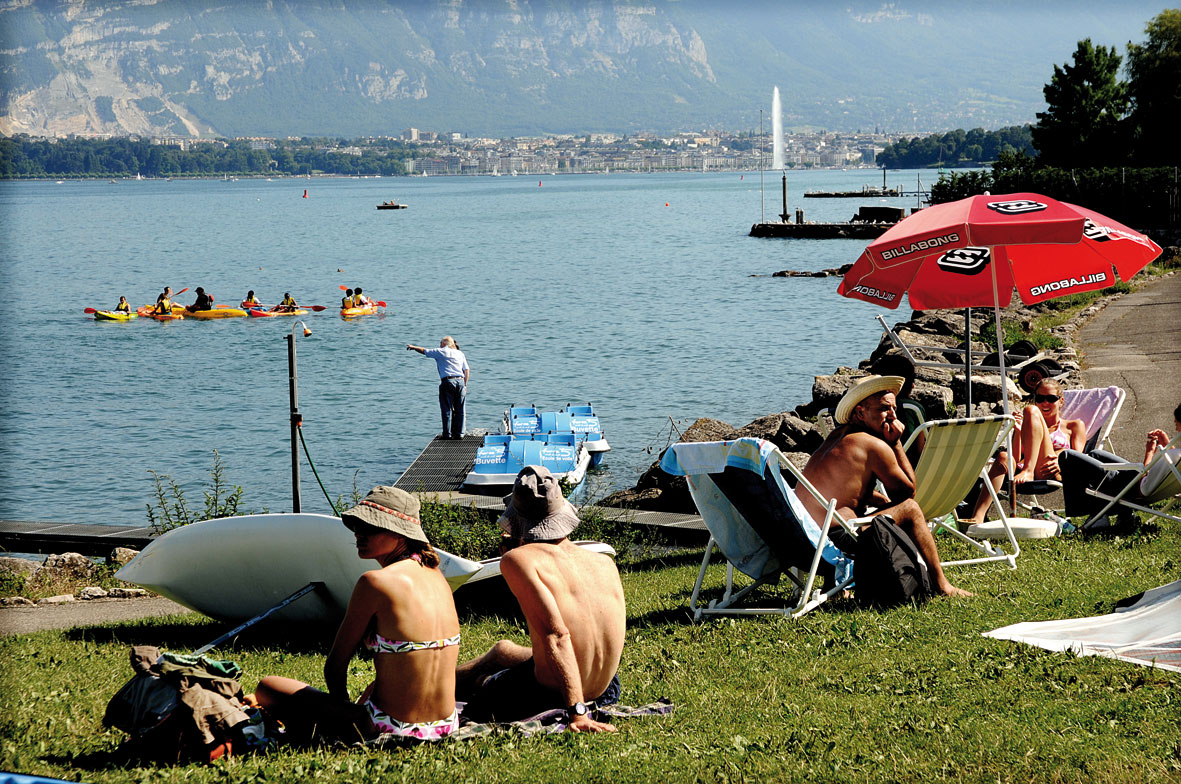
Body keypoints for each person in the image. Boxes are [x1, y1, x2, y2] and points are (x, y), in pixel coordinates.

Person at [253, 487, 461, 744]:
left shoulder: (375, 582)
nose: (359, 534)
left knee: (268, 686)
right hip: (445, 725)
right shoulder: (435, 575)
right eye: (357, 525)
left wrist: (342, 713)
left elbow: (335, 667)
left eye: (371, 527)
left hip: (388, 728)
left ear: (401, 534)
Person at [456, 466, 625, 732]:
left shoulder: (517, 560)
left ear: (517, 517)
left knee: (482, 687)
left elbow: (557, 635)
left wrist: (577, 713)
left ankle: (431, 682)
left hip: (553, 696)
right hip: (606, 689)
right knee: (503, 650)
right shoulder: (603, 561)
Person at [800, 375, 971, 598]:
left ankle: (832, 585)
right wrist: (896, 444)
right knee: (910, 509)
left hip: (803, 538)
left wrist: (881, 501)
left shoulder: (835, 437)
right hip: (835, 540)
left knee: (872, 507)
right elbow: (907, 492)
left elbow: (848, 491)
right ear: (861, 412)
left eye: (894, 409)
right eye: (884, 409)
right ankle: (942, 586)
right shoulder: (872, 444)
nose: (892, 416)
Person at [966, 378, 1086, 527]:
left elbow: (1078, 458)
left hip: (1048, 469)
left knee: (1030, 410)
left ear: (1061, 401)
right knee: (1004, 456)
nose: (1045, 403)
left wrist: (1061, 460)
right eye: (1040, 398)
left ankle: (1029, 470)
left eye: (1051, 398)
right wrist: (1018, 431)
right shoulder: (1029, 422)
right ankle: (977, 517)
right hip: (1022, 470)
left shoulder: (1074, 426)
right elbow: (1015, 458)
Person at [1059, 403, 1181, 529]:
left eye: (1176, 424)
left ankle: (1096, 514)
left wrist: (1149, 452)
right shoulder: (1177, 455)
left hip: (1132, 487)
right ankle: (1120, 514)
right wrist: (1167, 443)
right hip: (1139, 481)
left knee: (1067, 456)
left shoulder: (1174, 456)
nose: (1176, 429)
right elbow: (1173, 462)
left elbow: (1144, 478)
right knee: (1095, 454)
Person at [406, 336, 469, 439]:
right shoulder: (460, 353)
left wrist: (413, 347)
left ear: (444, 344)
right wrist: (465, 384)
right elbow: (466, 370)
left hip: (448, 382)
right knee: (460, 409)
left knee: (447, 409)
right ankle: (460, 434)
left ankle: (447, 434)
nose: (439, 345)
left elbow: (424, 351)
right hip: (461, 381)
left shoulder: (441, 351)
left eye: (440, 343)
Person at [871, 353, 927, 466]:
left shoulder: (873, 411)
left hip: (882, 472)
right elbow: (920, 452)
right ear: (910, 384)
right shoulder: (913, 408)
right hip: (913, 471)